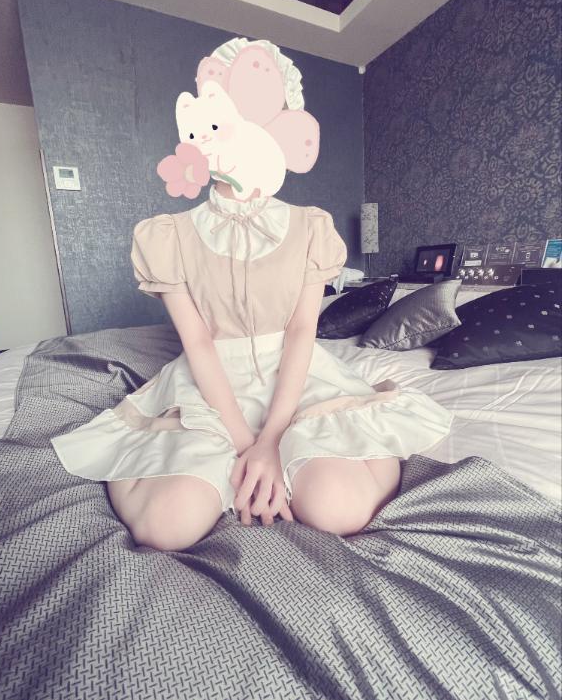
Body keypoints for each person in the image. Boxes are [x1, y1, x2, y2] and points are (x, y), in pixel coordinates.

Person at [50, 38, 454, 551]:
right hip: (211, 381)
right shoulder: (169, 235)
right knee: (165, 527)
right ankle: (166, 460)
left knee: (340, 509)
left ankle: (339, 449)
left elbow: (302, 330)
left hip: (299, 375)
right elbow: (198, 342)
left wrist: (274, 439)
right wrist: (248, 447)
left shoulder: (309, 227)